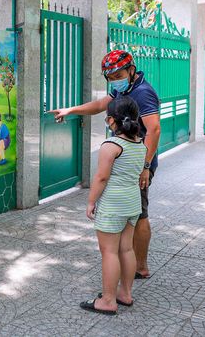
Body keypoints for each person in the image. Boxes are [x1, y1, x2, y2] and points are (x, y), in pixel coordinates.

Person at [50, 50, 160, 279]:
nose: (114, 81)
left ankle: (140, 266)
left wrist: (145, 166)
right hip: (125, 161)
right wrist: (71, 110)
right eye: (110, 78)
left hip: (136, 164)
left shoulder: (143, 92)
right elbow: (101, 104)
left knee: (140, 214)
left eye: (118, 75)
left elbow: (154, 130)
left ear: (131, 70)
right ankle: (127, 258)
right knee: (130, 212)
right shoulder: (125, 89)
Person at [80, 96, 145, 315]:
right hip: (132, 203)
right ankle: (125, 293)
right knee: (126, 248)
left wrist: (91, 201)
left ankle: (108, 300)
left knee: (109, 252)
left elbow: (101, 178)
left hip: (113, 204)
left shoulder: (111, 146)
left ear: (110, 120)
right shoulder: (140, 144)